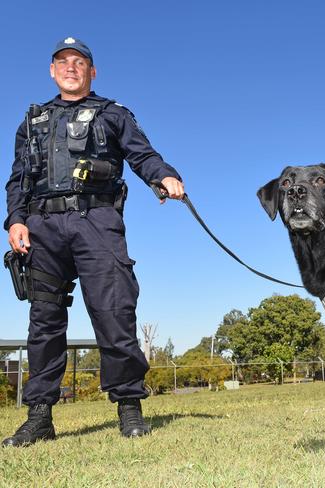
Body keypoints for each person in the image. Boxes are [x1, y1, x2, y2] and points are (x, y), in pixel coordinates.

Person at [2, 37, 184, 447]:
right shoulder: (32, 121)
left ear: (92, 71)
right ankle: (39, 416)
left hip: (97, 220)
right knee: (43, 322)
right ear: (52, 71)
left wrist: (164, 175)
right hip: (42, 226)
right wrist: (15, 221)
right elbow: (18, 180)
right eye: (63, 62)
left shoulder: (113, 114)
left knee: (114, 310)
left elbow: (143, 155)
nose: (71, 67)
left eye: (79, 62)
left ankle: (129, 406)